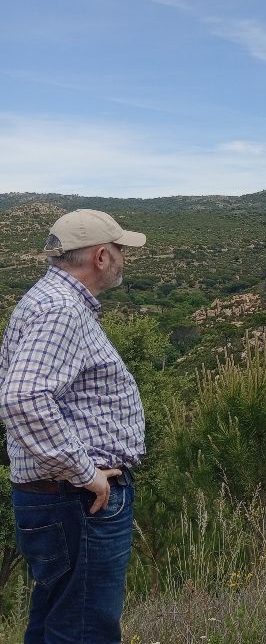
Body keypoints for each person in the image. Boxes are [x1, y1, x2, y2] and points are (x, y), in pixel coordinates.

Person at [0, 209, 147, 642]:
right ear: (101, 256)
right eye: (120, 249)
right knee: (84, 629)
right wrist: (86, 474)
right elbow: (22, 396)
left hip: (61, 499)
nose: (123, 257)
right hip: (78, 501)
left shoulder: (46, 300)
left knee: (57, 621)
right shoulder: (62, 310)